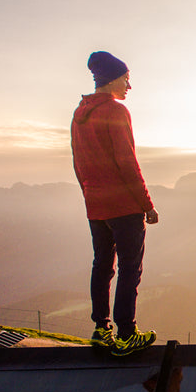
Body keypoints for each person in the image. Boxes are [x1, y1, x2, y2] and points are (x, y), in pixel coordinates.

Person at [71, 51, 159, 356]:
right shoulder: (115, 110)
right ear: (112, 79)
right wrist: (147, 205)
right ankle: (126, 334)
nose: (129, 87)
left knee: (102, 266)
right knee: (129, 268)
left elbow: (77, 163)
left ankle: (101, 329)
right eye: (126, 79)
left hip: (95, 206)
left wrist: (89, 195)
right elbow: (127, 163)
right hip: (123, 206)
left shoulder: (79, 114)